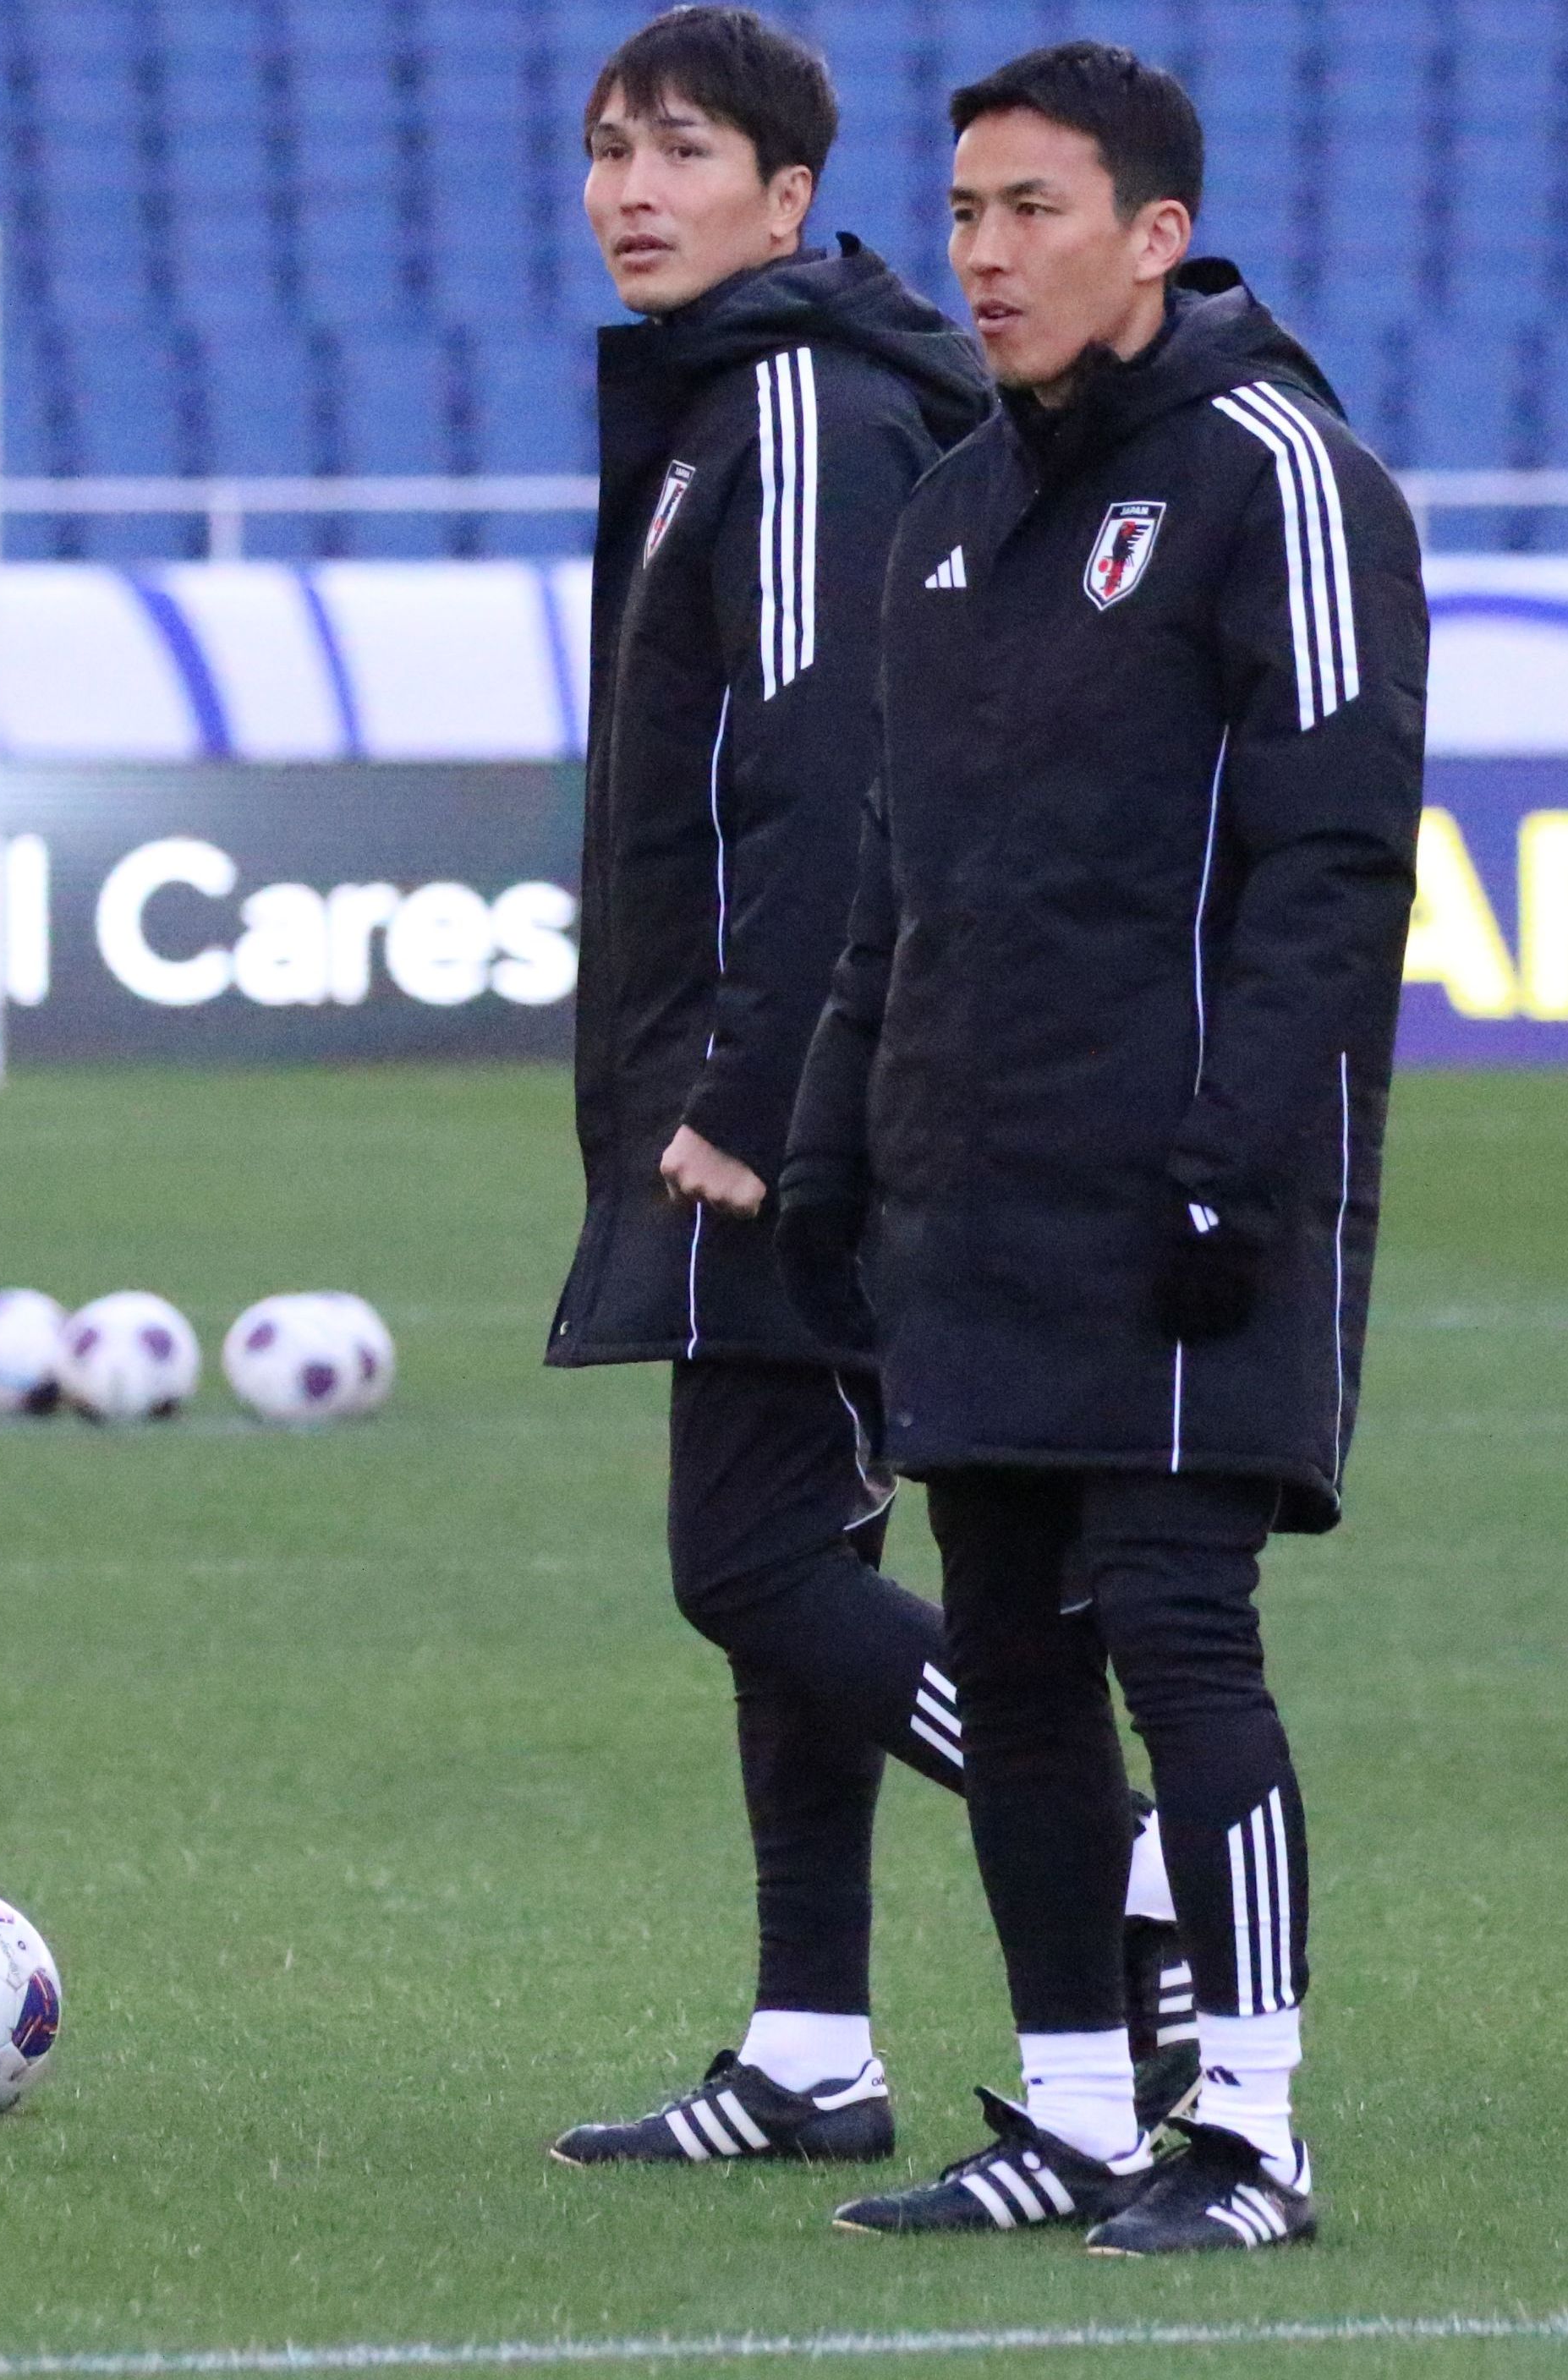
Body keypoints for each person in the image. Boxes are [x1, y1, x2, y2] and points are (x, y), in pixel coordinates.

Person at [779, 42, 1423, 2251]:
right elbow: (903, 870)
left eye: (1029, 210)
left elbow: (1336, 865)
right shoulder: (960, 508)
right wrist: (830, 1155)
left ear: (1153, 233)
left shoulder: (1281, 474)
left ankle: (1243, 2131)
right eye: (960, 212)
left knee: (1176, 1631)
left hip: (1181, 1194)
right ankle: (1069, 2113)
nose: (980, 253)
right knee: (1017, 1662)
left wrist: (1237, 1166)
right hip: (974, 1190)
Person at [540, 7, 1197, 2172]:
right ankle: (812, 2041)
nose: (636, 186)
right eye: (611, 148)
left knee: (750, 1566)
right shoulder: (727, 402)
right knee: (780, 1556)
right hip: (741, 1075)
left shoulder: (804, 409)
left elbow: (835, 777)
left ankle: (1126, 1877)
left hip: (793, 1096)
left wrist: (756, 1083)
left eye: (685, 150)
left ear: (788, 199)